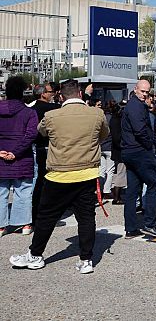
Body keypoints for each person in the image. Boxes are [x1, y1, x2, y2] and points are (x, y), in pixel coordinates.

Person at [9, 79, 109, 274]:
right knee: (86, 217)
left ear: (61, 96)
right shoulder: (96, 114)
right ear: (80, 94)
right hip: (87, 172)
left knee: (46, 216)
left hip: (59, 174)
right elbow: (103, 135)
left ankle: (35, 255)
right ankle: (86, 259)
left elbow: (42, 133)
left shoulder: (52, 115)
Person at [120, 79, 156, 238]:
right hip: (139, 151)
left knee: (132, 189)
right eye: (142, 91)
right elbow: (140, 130)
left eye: (147, 92)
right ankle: (149, 224)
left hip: (130, 151)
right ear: (135, 89)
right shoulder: (136, 107)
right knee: (154, 184)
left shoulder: (133, 105)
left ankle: (131, 228)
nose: (145, 94)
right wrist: (149, 145)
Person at [0, 76, 39, 236]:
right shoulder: (29, 112)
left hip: (1, 157)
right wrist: (15, 152)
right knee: (23, 191)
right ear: (22, 92)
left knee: (1, 192)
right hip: (22, 158)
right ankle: (24, 224)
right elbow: (31, 135)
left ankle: (1, 226)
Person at [30, 82, 60, 226]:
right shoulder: (53, 109)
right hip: (49, 147)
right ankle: (46, 211)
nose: (53, 93)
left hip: (35, 147)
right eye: (50, 91)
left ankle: (34, 211)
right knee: (47, 181)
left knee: (36, 180)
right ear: (43, 94)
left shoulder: (31, 108)